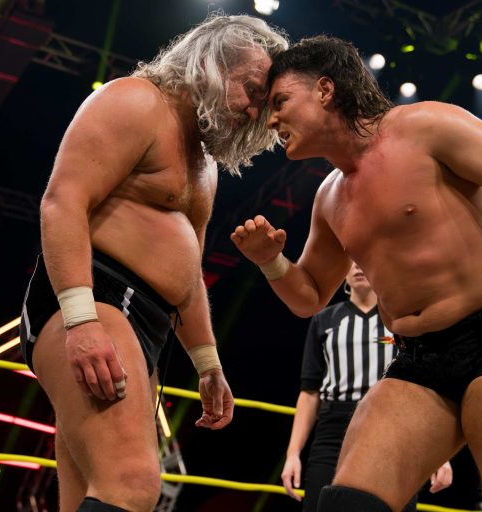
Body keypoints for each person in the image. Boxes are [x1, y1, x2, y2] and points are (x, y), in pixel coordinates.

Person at [231, 36, 482, 512]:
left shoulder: (424, 126)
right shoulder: (329, 197)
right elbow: (308, 297)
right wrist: (270, 261)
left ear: (325, 90)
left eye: (281, 102)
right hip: (417, 358)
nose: (271, 120)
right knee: (347, 505)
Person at [18, 15, 288, 512]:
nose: (254, 110)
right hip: (98, 297)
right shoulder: (136, 101)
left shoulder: (204, 164)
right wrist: (83, 320)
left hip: (145, 322)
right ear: (210, 64)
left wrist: (208, 364)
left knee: (88, 493)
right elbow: (62, 202)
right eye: (251, 90)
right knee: (133, 483)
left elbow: (190, 276)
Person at [281, 262, 452, 512]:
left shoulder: (402, 319)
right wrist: (293, 454)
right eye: (350, 262)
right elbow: (309, 391)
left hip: (393, 423)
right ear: (342, 273)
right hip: (333, 427)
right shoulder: (324, 320)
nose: (357, 267)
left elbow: (424, 385)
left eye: (363, 261)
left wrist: (440, 456)